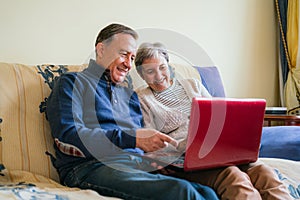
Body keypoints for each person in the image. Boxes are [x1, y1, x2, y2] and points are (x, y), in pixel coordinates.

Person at [45, 23, 219, 200]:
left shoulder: (130, 96)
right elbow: (68, 136)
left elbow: (141, 145)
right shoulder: (72, 83)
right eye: (123, 54)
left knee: (207, 193)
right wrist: (134, 139)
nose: (128, 64)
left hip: (136, 165)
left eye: (132, 57)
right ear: (101, 49)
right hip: (89, 167)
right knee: (184, 193)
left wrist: (154, 157)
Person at [134, 42, 292, 200]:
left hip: (217, 150)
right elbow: (152, 145)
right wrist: (187, 144)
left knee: (263, 172)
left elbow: (219, 118)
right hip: (182, 160)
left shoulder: (193, 85)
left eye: (162, 67)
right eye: (150, 71)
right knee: (232, 175)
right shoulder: (141, 99)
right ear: (141, 75)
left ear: (168, 65)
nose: (159, 76)